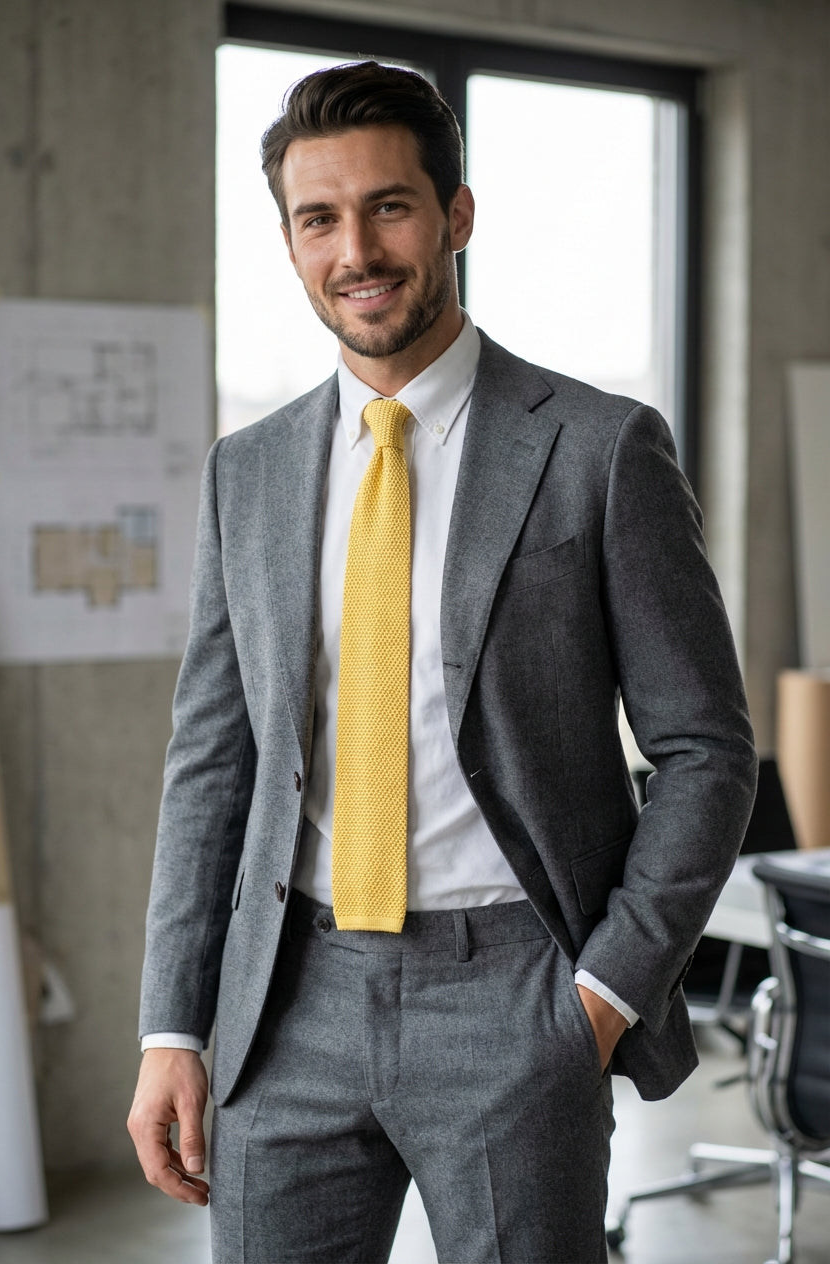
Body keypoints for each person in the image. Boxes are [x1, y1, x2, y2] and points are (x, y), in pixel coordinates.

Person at [128, 61, 758, 1263]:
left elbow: (704, 749)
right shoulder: (245, 472)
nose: (355, 249)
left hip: (516, 994)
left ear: (455, 216)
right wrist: (173, 1024)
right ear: (289, 241)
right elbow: (212, 764)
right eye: (319, 218)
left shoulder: (598, 448)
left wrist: (602, 997)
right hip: (284, 1002)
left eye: (389, 207)